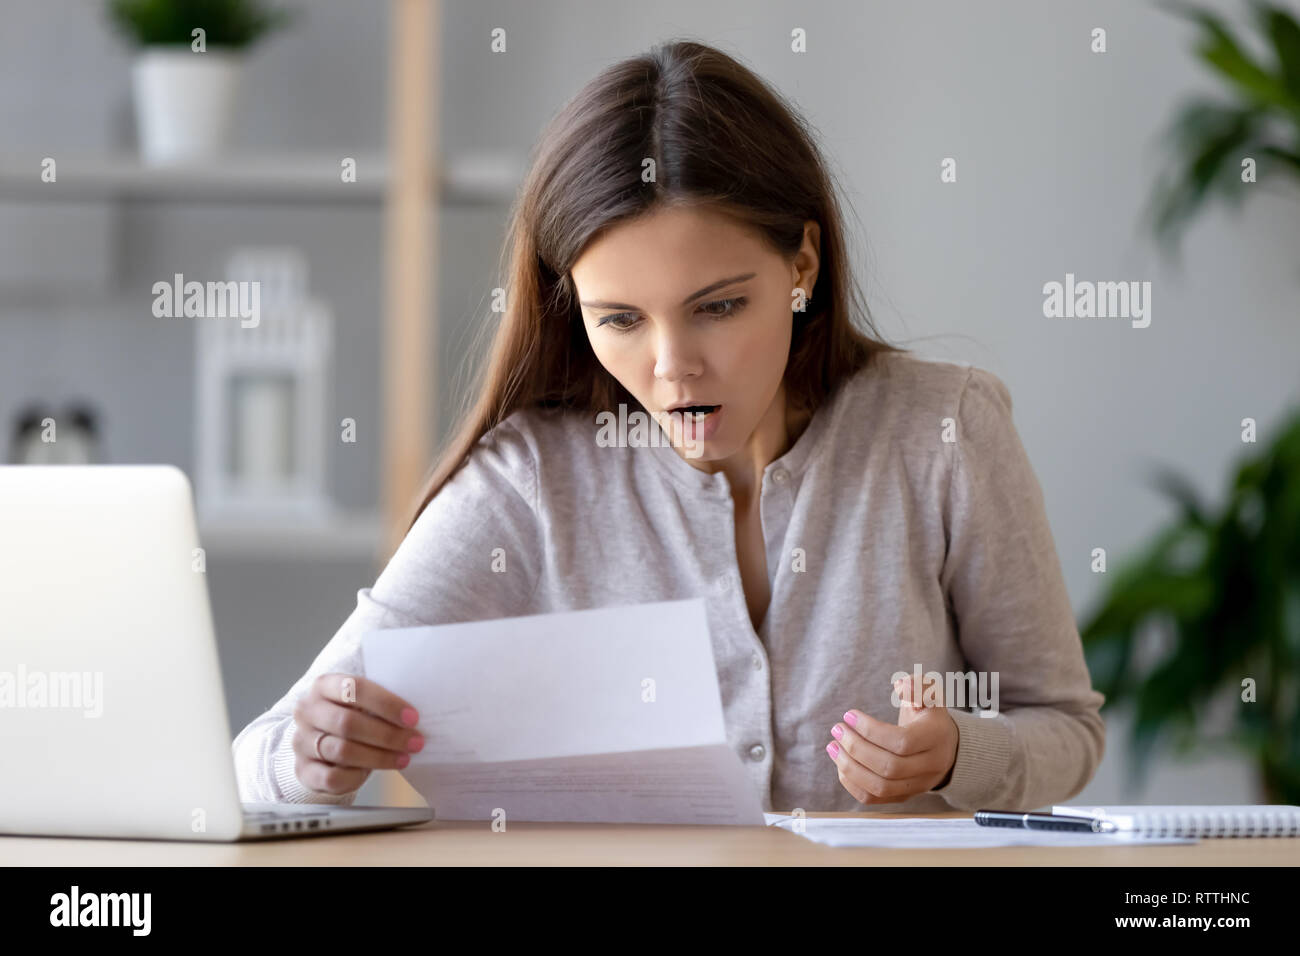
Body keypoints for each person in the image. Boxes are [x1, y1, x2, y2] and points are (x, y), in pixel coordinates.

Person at [232, 39, 1104, 814]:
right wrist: (313, 754)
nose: (672, 366)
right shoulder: (532, 476)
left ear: (802, 263)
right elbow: (260, 752)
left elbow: (1066, 730)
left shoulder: (941, 429)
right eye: (620, 320)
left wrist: (959, 752)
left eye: (718, 306)